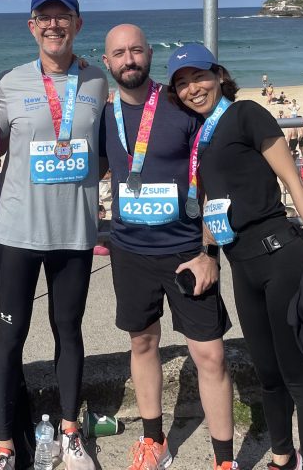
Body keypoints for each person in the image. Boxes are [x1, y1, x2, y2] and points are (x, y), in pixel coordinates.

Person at [168, 43, 303, 470]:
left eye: (199, 77)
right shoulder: (202, 135)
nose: (193, 89)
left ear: (218, 75)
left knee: (299, 376)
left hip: (279, 257)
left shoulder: (247, 114)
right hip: (241, 265)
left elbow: (294, 181)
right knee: (267, 373)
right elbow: (212, 203)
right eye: (182, 83)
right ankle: (283, 456)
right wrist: (207, 253)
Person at [99, 26, 235, 470]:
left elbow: (216, 181)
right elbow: (79, 167)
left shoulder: (181, 107)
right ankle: (153, 440)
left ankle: (223, 460)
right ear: (107, 63)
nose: (129, 59)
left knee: (210, 354)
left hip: (186, 250)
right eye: (119, 53)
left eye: (136, 49)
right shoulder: (102, 116)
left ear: (150, 54)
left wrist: (210, 253)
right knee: (142, 343)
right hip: (129, 251)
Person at [0, 0, 108, 470]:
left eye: (64, 17)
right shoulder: (11, 82)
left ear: (78, 24)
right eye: (44, 17)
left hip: (75, 234)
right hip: (16, 234)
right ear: (31, 26)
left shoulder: (97, 81)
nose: (54, 25)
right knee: (9, 337)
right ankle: (2, 445)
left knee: (69, 332)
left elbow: (105, 152)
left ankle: (71, 434)